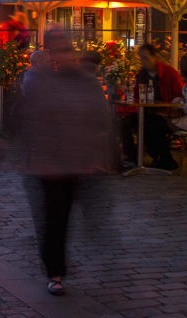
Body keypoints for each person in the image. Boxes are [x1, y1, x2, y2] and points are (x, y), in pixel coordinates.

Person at [13, 28, 114, 296]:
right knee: (54, 218)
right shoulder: (38, 80)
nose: (62, 54)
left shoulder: (85, 81)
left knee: (81, 214)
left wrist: (99, 155)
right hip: (48, 164)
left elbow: (101, 119)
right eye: (57, 49)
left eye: (66, 48)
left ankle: (91, 253)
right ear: (49, 51)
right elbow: (25, 119)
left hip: (79, 160)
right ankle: (55, 271)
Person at [119, 43, 184, 169]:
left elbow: (180, 95)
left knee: (151, 125)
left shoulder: (169, 73)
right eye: (141, 58)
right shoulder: (142, 74)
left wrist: (172, 108)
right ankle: (133, 158)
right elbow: (137, 94)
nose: (143, 61)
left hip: (165, 113)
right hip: (146, 111)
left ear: (154, 57)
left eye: (145, 58)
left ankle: (163, 158)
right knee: (123, 123)